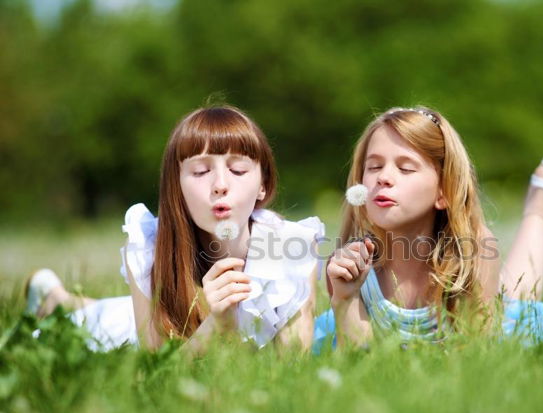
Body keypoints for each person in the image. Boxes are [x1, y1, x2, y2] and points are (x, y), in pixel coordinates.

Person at [315, 106, 543, 351]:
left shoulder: (476, 251)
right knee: (513, 293)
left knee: (519, 298)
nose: (384, 177)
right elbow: (358, 365)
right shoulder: (352, 263)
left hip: (496, 326)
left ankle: (542, 197)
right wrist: (345, 301)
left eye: (406, 169)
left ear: (443, 193)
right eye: (374, 166)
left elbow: (473, 359)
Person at [25, 105, 324, 352]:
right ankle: (55, 298)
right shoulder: (149, 248)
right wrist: (215, 326)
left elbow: (293, 367)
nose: (220, 185)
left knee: (118, 310)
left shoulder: (290, 249)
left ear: (263, 185)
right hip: (123, 331)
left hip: (131, 314)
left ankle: (60, 298)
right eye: (201, 171)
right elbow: (157, 371)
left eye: (238, 170)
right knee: (95, 322)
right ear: (175, 187)